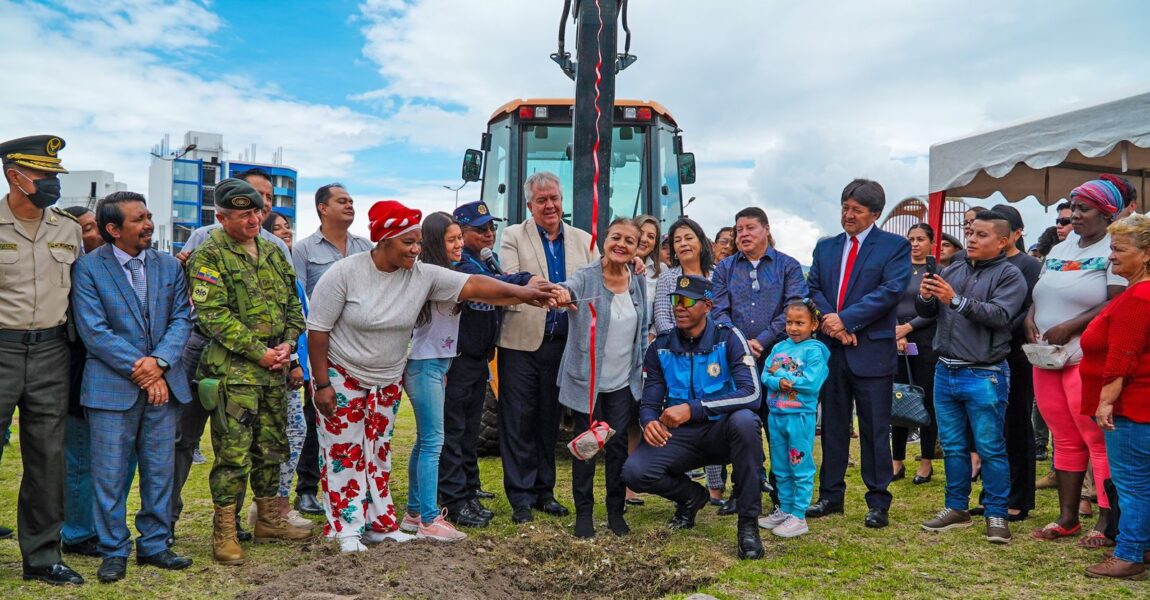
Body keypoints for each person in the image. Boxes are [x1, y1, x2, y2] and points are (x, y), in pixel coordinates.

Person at [307, 200, 556, 552]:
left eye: (419, 242)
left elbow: (475, 285)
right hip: (342, 375)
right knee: (344, 453)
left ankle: (380, 525)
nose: (416, 249)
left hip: (386, 379)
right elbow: (317, 331)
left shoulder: (422, 275)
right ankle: (346, 529)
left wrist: (526, 293)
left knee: (378, 454)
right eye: (408, 242)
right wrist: (321, 385)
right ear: (384, 239)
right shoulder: (345, 274)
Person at [185, 178, 312, 565]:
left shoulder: (274, 252)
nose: (253, 220)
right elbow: (213, 317)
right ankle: (224, 530)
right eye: (243, 215)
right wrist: (260, 353)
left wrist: (288, 346)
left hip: (275, 368)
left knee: (272, 447)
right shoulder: (209, 256)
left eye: (257, 212)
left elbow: (295, 303)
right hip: (235, 373)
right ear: (221, 218)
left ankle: (269, 520)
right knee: (233, 453)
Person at [71, 191, 195, 582]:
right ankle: (113, 549)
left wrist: (159, 364)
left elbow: (182, 319)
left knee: (159, 471)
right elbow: (94, 331)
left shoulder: (168, 266)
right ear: (113, 229)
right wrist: (142, 370)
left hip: (164, 386)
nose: (148, 225)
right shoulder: (88, 268)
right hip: (110, 388)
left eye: (148, 216)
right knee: (108, 474)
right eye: (139, 219)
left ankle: (155, 545)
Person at [622, 275, 764, 559]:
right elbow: (650, 401)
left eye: (687, 301)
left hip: (720, 431)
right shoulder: (659, 346)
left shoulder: (728, 337)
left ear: (707, 305)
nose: (679, 307)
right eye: (675, 300)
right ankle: (690, 497)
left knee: (746, 421)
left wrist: (694, 408)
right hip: (681, 436)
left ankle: (748, 525)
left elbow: (752, 394)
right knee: (634, 472)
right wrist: (649, 422)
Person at [0, 135, 86, 585]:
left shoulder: (68, 229)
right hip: (1, 348)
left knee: (47, 457)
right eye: (44, 175)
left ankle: (41, 557)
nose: (53, 183)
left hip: (52, 350)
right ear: (15, 175)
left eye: (55, 175)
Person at [1026, 179, 1126, 548]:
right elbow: (1041, 291)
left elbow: (1115, 301)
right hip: (1046, 356)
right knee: (1063, 438)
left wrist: (1070, 326)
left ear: (1107, 213)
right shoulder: (1061, 247)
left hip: (1085, 355)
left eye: (1084, 209)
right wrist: (1030, 318)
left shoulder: (1112, 249)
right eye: (1074, 207)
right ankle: (1067, 517)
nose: (1076, 215)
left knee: (1095, 438)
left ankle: (1105, 519)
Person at [916, 210, 1026, 544]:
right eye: (971, 233)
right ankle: (956, 507)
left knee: (991, 448)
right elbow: (929, 313)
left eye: (981, 234)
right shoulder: (954, 268)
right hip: (945, 369)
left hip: (984, 372)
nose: (972, 239)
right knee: (951, 446)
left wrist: (956, 300)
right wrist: (925, 297)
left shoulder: (1010, 276)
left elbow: (1000, 316)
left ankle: (995, 512)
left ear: (1003, 240)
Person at [806, 179, 911, 529]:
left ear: (875, 214)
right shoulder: (826, 247)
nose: (848, 215)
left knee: (874, 428)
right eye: (845, 208)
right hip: (833, 350)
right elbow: (815, 289)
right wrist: (833, 325)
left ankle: (878, 500)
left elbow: (891, 290)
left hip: (872, 351)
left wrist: (848, 320)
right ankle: (830, 496)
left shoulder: (894, 247)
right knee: (833, 426)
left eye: (857, 210)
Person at [496, 171, 597, 524]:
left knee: (548, 422)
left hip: (563, 346)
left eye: (554, 198)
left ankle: (544, 492)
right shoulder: (511, 237)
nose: (550, 205)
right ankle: (521, 499)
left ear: (562, 200)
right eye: (542, 200)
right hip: (520, 344)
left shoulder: (584, 241)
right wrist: (550, 289)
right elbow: (512, 279)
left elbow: (597, 281)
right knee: (518, 420)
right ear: (530, 205)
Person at [440, 201, 536, 528]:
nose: (489, 234)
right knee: (453, 431)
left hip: (478, 358)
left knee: (468, 431)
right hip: (456, 359)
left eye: (491, 227)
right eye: (480, 229)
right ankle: (453, 500)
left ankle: (468, 488)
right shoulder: (459, 265)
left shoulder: (484, 261)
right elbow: (492, 287)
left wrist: (527, 279)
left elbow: (503, 277)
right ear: (460, 232)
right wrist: (528, 287)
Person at [552, 217, 647, 538]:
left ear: (636, 248)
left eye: (629, 241)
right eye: (616, 237)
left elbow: (642, 330)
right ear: (605, 239)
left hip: (622, 383)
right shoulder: (588, 277)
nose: (621, 244)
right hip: (588, 383)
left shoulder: (638, 280)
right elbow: (569, 287)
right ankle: (585, 514)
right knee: (586, 446)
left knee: (618, 447)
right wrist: (562, 294)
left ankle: (616, 512)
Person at [712, 207, 808, 514]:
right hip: (738, 362)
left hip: (780, 359)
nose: (743, 234)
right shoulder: (725, 268)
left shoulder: (788, 266)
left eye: (750, 228)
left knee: (780, 426)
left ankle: (784, 494)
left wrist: (763, 339)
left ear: (766, 229)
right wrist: (740, 343)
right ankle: (743, 492)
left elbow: (795, 307)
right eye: (739, 229)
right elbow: (718, 310)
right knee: (741, 428)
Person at [290, 183, 373, 516]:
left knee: (362, 419)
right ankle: (307, 488)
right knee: (316, 417)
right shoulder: (304, 250)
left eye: (352, 201)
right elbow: (296, 301)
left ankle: (359, 486)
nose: (350, 205)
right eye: (342, 201)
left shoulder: (365, 247)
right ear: (323, 208)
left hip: (361, 348)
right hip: (322, 347)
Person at [1083, 214, 1150, 580]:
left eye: (1119, 249)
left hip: (1133, 407)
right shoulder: (1137, 293)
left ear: (1147, 254)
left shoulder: (1139, 296)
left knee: (1133, 484)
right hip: (1139, 406)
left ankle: (1128, 554)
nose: (1111, 256)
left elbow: (1122, 357)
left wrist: (1105, 401)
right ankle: (1141, 545)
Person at [397, 212, 469, 542]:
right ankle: (428, 518)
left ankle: (414, 514)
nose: (460, 244)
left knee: (424, 441)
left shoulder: (444, 274)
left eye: (460, 237)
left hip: (440, 364)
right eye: (452, 239)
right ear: (437, 244)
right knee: (433, 442)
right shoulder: (434, 277)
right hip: (425, 364)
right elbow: (484, 289)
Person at [60, 205, 125, 559]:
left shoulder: (119, 267)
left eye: (97, 226)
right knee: (81, 458)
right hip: (78, 373)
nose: (95, 233)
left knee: (117, 460)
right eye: (86, 228)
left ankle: (104, 528)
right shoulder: (71, 271)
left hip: (122, 374)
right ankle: (78, 531)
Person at [652, 218, 723, 500]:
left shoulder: (718, 275)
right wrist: (685, 346)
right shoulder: (669, 277)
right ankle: (685, 488)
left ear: (701, 241)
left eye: (688, 237)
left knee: (713, 415)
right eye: (677, 240)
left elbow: (724, 313)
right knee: (682, 417)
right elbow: (662, 317)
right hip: (680, 359)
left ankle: (716, 489)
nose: (683, 244)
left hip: (715, 357)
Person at [256, 211, 315, 532]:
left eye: (286, 228)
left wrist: (298, 364)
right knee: (274, 437)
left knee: (294, 433)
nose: (284, 234)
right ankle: (268, 508)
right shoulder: (268, 271)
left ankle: (276, 505)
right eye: (276, 230)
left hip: (292, 364)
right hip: (270, 366)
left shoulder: (290, 274)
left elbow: (297, 321)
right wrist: (291, 362)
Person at [986, 205, 1042, 522]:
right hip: (986, 353)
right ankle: (994, 493)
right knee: (992, 427)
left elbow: (1030, 306)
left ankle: (1019, 498)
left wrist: (1001, 326)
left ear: (1016, 233)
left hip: (1016, 352)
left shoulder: (1028, 265)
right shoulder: (985, 264)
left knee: (1018, 422)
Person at [758, 300, 830, 538]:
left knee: (799, 465)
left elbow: (811, 383)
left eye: (800, 323)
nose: (793, 328)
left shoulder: (815, 351)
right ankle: (785, 508)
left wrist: (780, 374)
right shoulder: (778, 348)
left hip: (799, 416)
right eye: (789, 322)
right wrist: (778, 380)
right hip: (776, 414)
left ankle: (798, 515)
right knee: (780, 465)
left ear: (814, 324)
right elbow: (765, 375)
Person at [891, 223, 939, 485]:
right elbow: (887, 301)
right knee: (897, 399)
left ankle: (926, 462)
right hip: (896, 341)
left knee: (926, 401)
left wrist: (909, 327)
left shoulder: (936, 272)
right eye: (911, 239)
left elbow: (936, 309)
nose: (915, 243)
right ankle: (896, 461)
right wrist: (898, 331)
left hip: (926, 341)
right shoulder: (897, 270)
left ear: (931, 242)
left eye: (921, 239)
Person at [629, 214, 663, 506]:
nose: (645, 239)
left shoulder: (659, 273)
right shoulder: (613, 263)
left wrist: (651, 336)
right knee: (620, 415)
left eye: (651, 236)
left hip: (646, 351)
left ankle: (632, 481)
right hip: (617, 350)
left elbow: (659, 310)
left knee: (638, 415)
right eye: (641, 232)